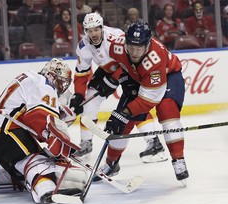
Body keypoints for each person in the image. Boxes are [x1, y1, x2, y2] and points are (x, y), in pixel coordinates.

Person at [0, 58, 87, 204]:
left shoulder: (31, 78)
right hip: (5, 129)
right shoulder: (44, 85)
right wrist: (58, 140)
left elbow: (31, 115)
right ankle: (47, 192)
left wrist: (58, 117)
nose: (61, 86)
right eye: (60, 81)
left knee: (20, 173)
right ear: (51, 75)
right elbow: (38, 117)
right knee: (37, 162)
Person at [95, 22, 189, 183]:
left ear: (148, 44)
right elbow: (116, 64)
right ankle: (111, 164)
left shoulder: (155, 58)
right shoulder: (117, 45)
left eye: (139, 48)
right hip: (139, 77)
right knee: (122, 125)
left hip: (168, 76)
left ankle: (178, 160)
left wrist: (123, 113)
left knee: (167, 111)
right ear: (126, 41)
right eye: (131, 46)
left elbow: (148, 100)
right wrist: (119, 79)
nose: (134, 52)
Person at [69, 12, 168, 163]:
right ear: (85, 31)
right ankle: (86, 144)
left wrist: (112, 80)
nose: (93, 33)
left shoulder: (116, 37)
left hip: (131, 70)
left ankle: (154, 143)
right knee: (88, 102)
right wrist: (78, 95)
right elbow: (82, 72)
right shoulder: (84, 46)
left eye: (96, 29)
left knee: (133, 105)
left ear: (102, 27)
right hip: (108, 69)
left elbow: (129, 60)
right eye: (90, 30)